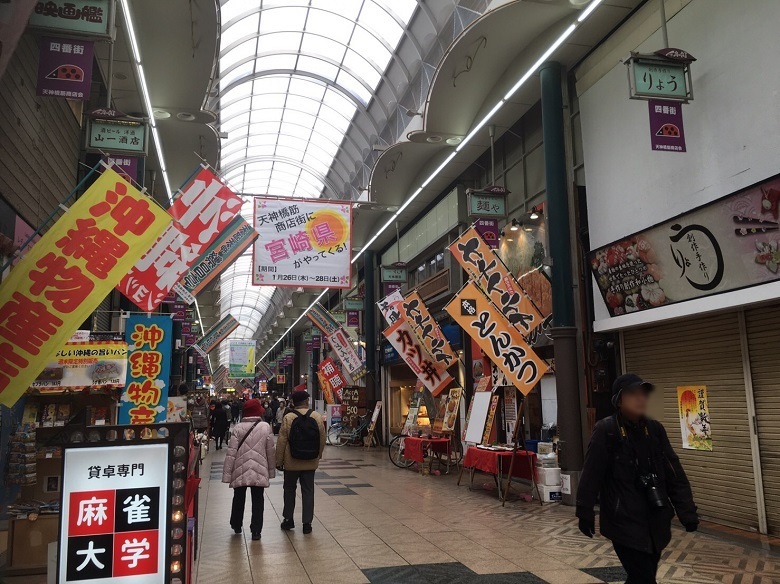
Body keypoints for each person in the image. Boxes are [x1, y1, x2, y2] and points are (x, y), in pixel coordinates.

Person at [577, 374, 698, 583]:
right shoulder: (607, 430)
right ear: (618, 400)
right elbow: (591, 473)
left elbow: (674, 473)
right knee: (644, 578)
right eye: (633, 394)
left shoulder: (655, 430)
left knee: (642, 577)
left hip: (656, 521)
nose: (640, 399)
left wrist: (687, 512)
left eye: (643, 394)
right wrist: (584, 511)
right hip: (623, 521)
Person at [222, 399, 275, 540]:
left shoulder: (238, 428)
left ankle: (236, 524)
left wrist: (227, 474)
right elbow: (270, 451)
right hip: (259, 468)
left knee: (238, 497)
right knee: (258, 499)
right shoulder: (265, 427)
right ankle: (256, 530)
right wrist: (271, 471)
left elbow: (231, 452)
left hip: (240, 468)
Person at [276, 390, 326, 534]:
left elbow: (281, 441)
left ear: (293, 403)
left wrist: (279, 461)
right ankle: (307, 523)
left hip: (292, 462)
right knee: (308, 491)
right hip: (310, 461)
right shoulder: (316, 416)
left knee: (289, 490)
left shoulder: (288, 417)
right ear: (306, 401)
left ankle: (288, 520)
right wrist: (318, 455)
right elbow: (322, 438)